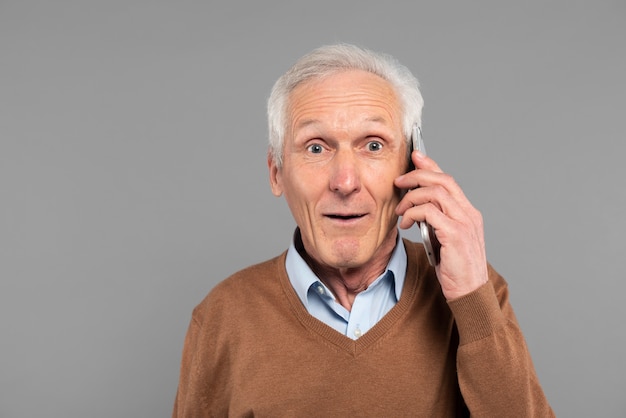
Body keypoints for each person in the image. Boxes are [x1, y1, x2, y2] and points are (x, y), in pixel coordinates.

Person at [172, 43, 554, 417]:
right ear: (276, 173)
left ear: (410, 167)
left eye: (373, 145)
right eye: (316, 148)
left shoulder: (475, 292)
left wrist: (471, 295)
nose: (345, 181)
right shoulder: (223, 316)